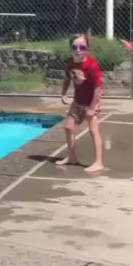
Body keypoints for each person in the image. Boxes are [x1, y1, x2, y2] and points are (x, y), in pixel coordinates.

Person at [56, 34, 104, 172]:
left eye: (82, 47)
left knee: (93, 130)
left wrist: (92, 107)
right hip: (78, 101)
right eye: (74, 47)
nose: (78, 50)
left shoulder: (92, 65)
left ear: (87, 48)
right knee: (68, 127)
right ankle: (72, 157)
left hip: (92, 102)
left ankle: (99, 162)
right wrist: (63, 93)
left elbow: (98, 88)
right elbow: (67, 78)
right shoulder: (70, 63)